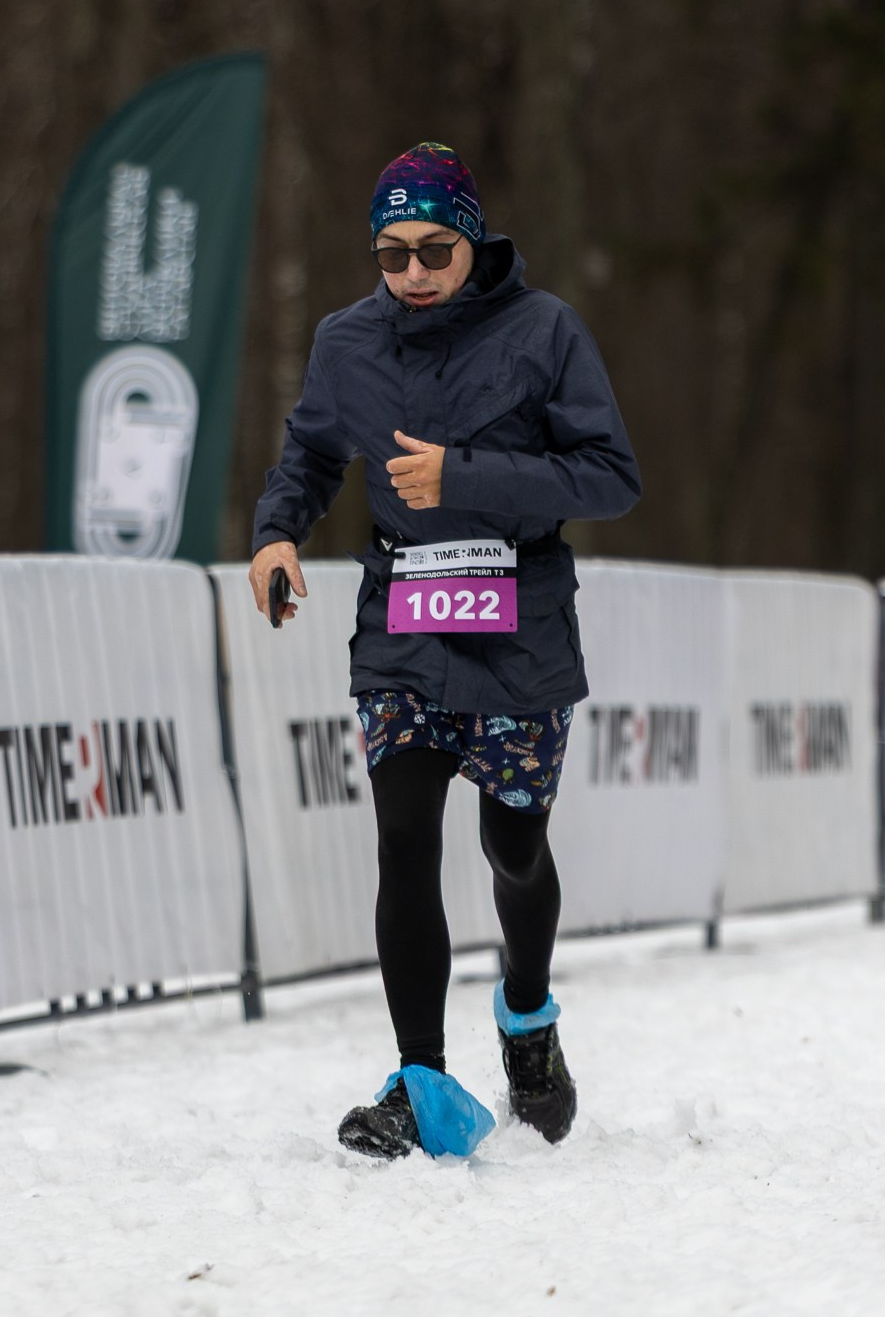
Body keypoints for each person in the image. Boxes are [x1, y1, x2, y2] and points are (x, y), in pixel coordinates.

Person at [248, 141, 640, 1160]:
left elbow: (608, 477)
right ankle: (420, 1081)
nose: (413, 273)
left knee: (513, 848)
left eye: (433, 250)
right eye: (391, 255)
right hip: (405, 626)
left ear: (472, 241)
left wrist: (464, 477)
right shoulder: (347, 344)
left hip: (519, 633)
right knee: (403, 833)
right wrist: (277, 533)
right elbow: (309, 451)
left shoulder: (545, 332)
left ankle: (526, 1021)